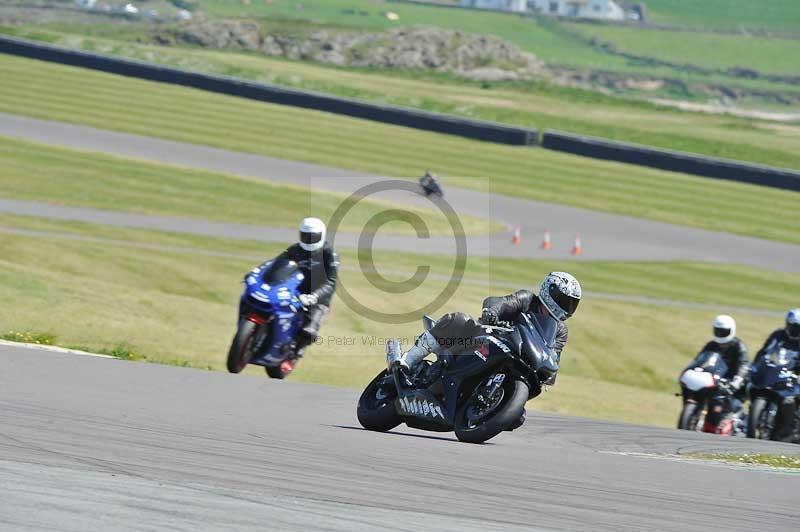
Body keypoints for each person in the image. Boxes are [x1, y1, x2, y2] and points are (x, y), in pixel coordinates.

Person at [390, 271, 581, 386]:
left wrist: (548, 374)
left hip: (517, 363)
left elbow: (553, 357)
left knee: (518, 418)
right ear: (551, 291)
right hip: (488, 341)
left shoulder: (560, 331)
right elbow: (503, 303)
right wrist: (492, 312)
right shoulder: (527, 299)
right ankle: (408, 359)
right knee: (458, 319)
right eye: (566, 300)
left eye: (573, 303)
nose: (568, 306)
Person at [271, 218, 339, 369]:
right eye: (305, 236)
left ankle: (295, 352)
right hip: (293, 291)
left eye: (312, 237)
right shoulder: (295, 250)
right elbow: (276, 264)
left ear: (321, 235)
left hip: (317, 300)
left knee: (309, 330)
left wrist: (315, 296)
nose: (309, 240)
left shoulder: (329, 255)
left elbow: (331, 283)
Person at [689, 315, 750, 423]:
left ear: (731, 331)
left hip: (732, 384)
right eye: (718, 331)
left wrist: (737, 380)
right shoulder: (711, 345)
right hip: (712, 380)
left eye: (723, 332)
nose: (720, 334)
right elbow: (699, 360)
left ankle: (738, 421)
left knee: (733, 405)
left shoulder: (739, 346)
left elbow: (743, 365)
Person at [752, 309, 800, 441]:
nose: (792, 329)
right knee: (754, 385)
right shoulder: (779, 334)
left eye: (796, 327)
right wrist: (759, 364)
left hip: (795, 374)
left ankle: (793, 428)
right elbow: (766, 350)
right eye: (790, 325)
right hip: (778, 371)